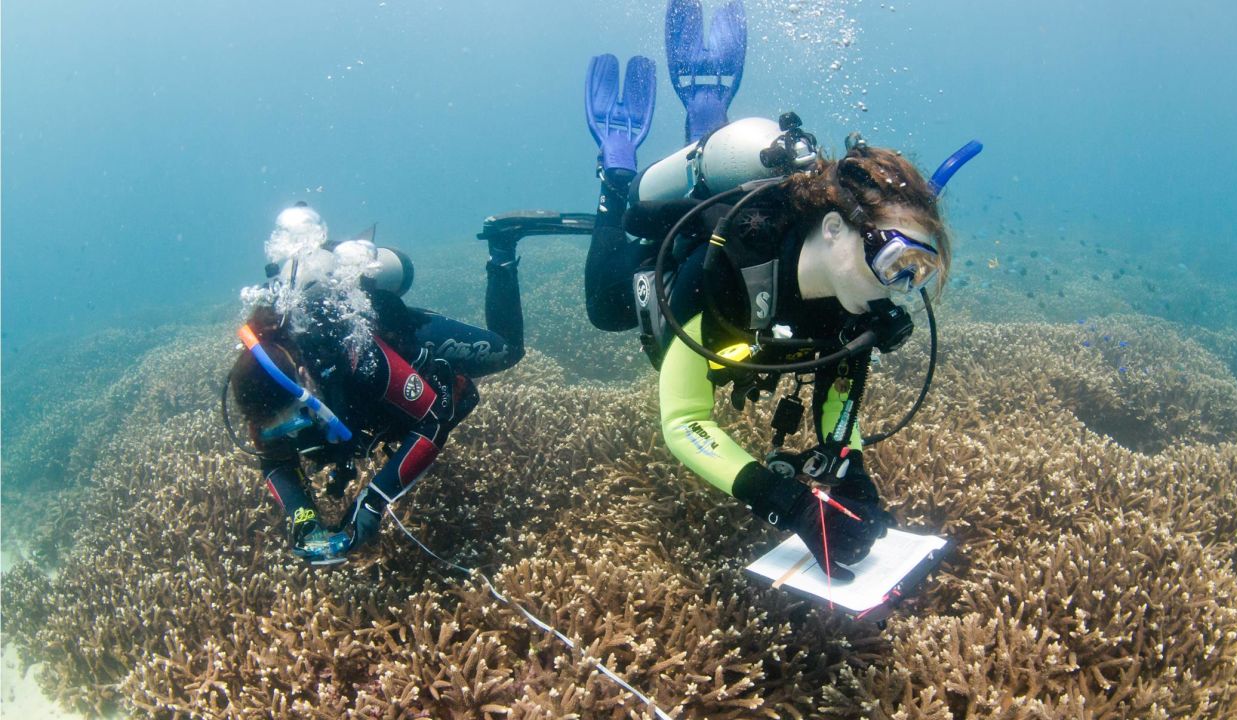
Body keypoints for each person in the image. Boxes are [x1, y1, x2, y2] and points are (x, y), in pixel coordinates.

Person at [555, 0, 970, 580]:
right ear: (833, 230)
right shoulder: (731, 275)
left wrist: (848, 466)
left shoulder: (857, 305)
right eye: (895, 259)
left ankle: (706, 113)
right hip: (677, 265)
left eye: (917, 274)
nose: (897, 288)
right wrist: (787, 503)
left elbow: (838, 398)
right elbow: (683, 422)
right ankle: (617, 170)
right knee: (606, 310)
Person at [227, 203, 527, 566]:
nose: (294, 431)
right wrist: (303, 520)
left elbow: (432, 421)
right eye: (280, 427)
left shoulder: (358, 358)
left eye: (297, 416)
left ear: (305, 381)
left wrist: (373, 499)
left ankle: (502, 245)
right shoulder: (262, 391)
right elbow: (273, 461)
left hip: (396, 334)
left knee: (506, 353)